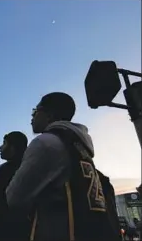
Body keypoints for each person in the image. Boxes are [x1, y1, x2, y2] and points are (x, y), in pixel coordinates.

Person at [6, 92, 121, 241]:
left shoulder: (46, 143)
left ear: (49, 115)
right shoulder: (79, 147)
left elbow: (13, 199)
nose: (32, 116)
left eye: (36, 110)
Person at [0, 131, 28, 241]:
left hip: (3, 233)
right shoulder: (29, 168)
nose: (0, 147)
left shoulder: (3, 169)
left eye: (4, 143)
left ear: (13, 147)